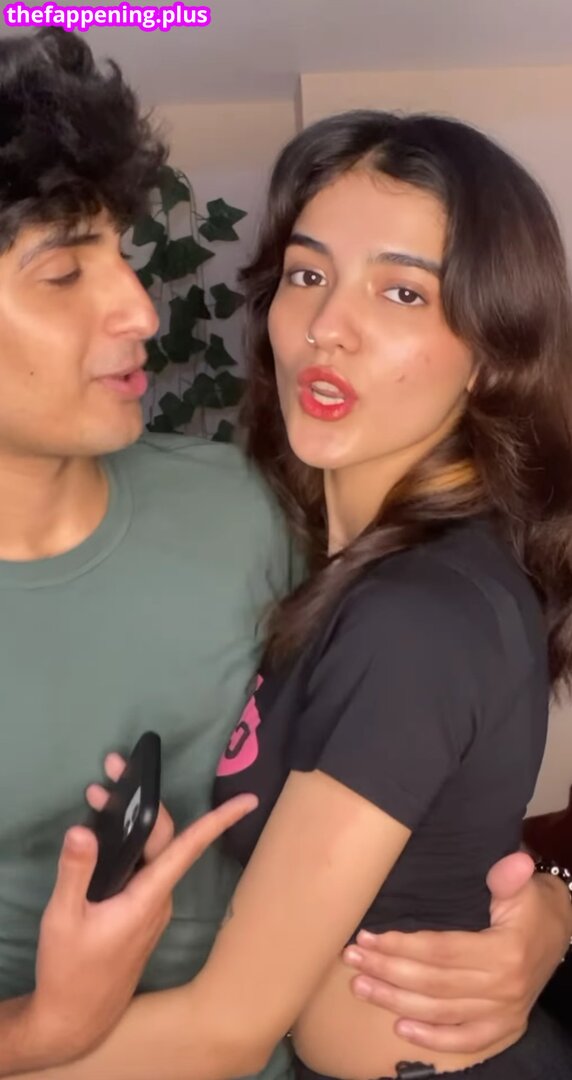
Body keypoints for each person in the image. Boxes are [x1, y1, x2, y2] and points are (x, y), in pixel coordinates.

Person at [0, 27, 570, 1080]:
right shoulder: (319, 537)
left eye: (402, 292)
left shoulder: (365, 578)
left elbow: (226, 1027)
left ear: (491, 348)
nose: (324, 328)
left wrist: (552, 906)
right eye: (307, 275)